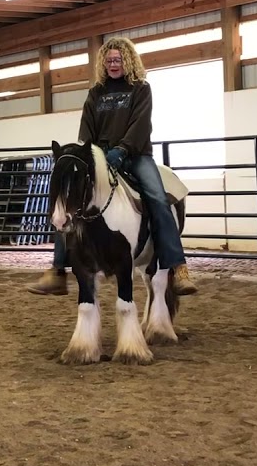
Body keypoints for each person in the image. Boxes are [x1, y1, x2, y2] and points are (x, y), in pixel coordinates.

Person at [27, 36, 198, 296]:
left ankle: (178, 267)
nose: (113, 64)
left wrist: (122, 149)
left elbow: (140, 124)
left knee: (157, 197)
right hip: (100, 156)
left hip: (136, 155)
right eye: (108, 61)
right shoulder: (96, 93)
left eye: (117, 59)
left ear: (127, 61)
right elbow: (87, 127)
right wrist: (90, 152)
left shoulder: (141, 89)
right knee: (71, 200)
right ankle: (58, 269)